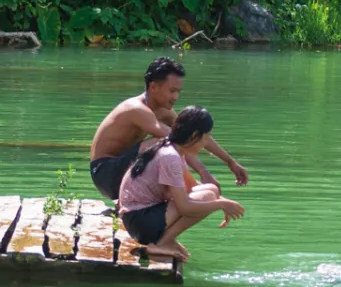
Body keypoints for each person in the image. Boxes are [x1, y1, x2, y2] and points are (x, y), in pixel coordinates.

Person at [89, 57, 247, 202]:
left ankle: (194, 194)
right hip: (105, 173)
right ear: (153, 87)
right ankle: (193, 190)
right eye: (172, 91)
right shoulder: (137, 109)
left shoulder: (164, 111)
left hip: (125, 171)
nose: (176, 97)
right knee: (162, 144)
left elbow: (195, 135)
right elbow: (178, 141)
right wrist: (203, 172)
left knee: (169, 150)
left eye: (178, 92)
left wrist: (230, 162)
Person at [118, 105, 245, 261]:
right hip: (140, 222)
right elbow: (184, 207)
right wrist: (221, 205)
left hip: (140, 219)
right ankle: (161, 244)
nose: (206, 143)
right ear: (194, 136)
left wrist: (224, 202)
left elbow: (194, 187)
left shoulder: (172, 150)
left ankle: (165, 241)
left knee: (211, 190)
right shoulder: (170, 157)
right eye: (206, 137)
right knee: (208, 195)